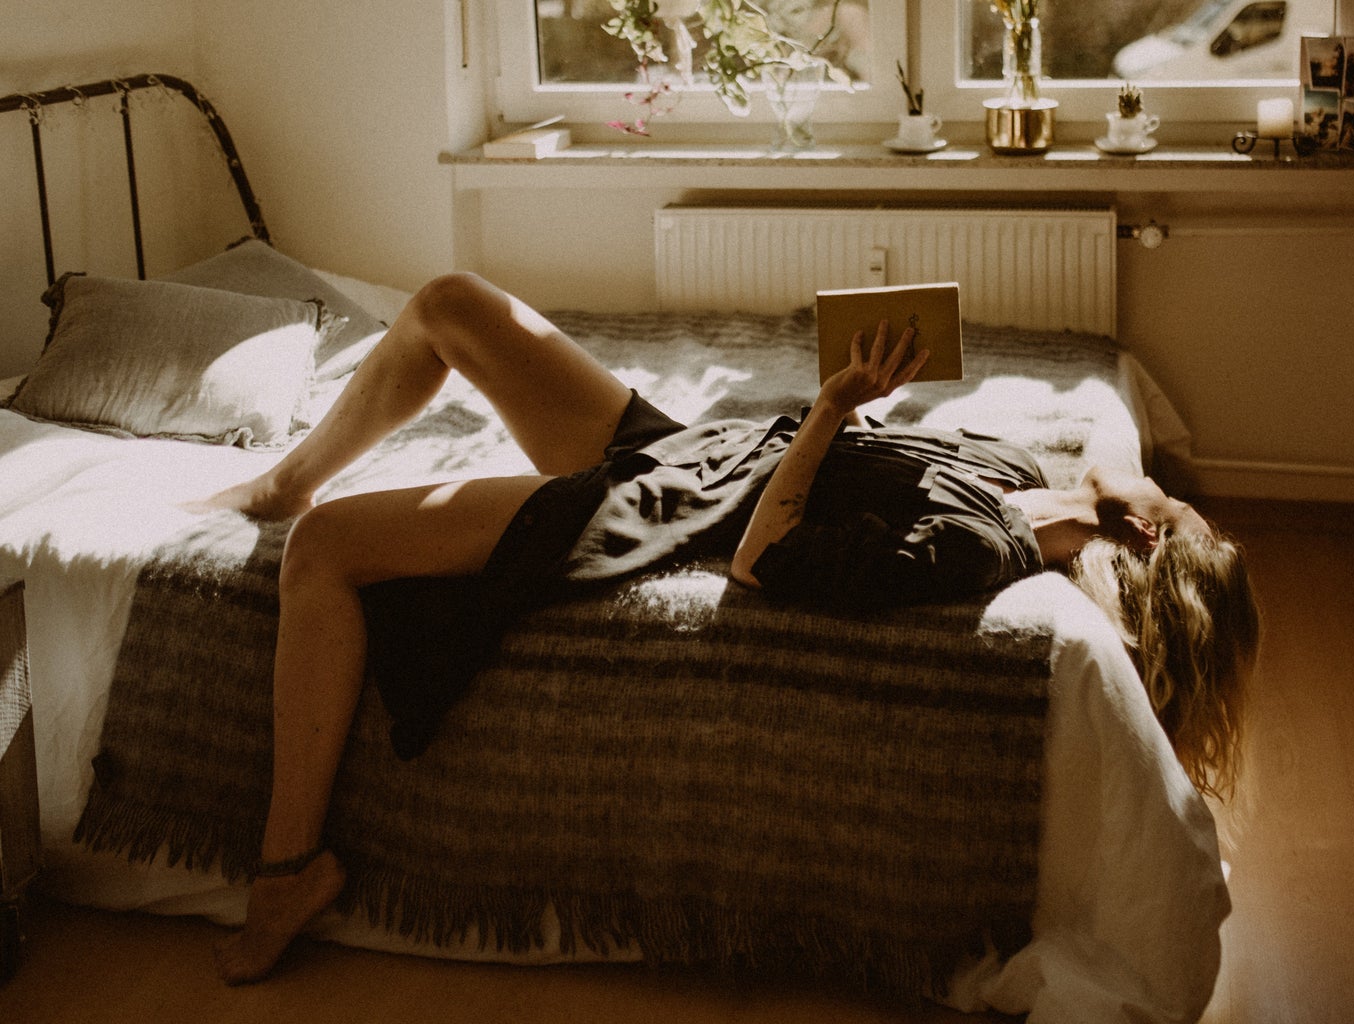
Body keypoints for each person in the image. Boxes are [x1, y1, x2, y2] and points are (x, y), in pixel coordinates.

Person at [192, 271, 1260, 985]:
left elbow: (761, 562)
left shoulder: (985, 543)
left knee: (326, 553)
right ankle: (286, 474)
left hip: (668, 511)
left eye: (1182, 524)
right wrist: (1122, 489)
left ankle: (290, 869)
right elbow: (1121, 448)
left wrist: (837, 406)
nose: (1182, 507)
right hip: (700, 447)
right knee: (451, 305)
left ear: (1143, 562)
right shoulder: (1038, 482)